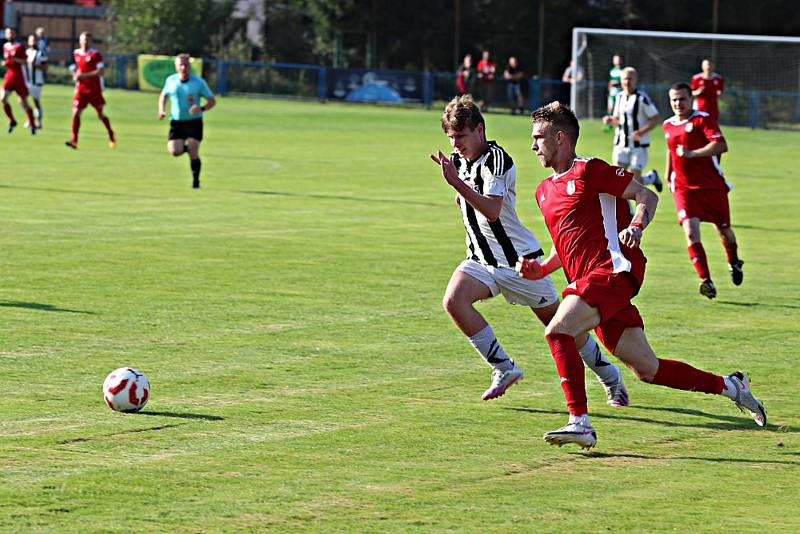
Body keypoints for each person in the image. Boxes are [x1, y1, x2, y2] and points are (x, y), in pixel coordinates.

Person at [517, 101, 766, 450]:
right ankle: (732, 386)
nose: (533, 145)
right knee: (648, 369)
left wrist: (636, 224)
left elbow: (645, 194)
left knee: (558, 331)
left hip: (611, 273)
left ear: (561, 138)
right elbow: (570, 242)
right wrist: (541, 269)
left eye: (538, 137)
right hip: (588, 284)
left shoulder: (591, 171)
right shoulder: (543, 191)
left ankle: (579, 422)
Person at [430, 95, 629, 407]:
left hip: (519, 263)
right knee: (454, 301)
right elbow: (474, 202)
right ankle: (503, 368)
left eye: (461, 136)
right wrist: (462, 192)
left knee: (564, 329)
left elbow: (493, 210)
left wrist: (457, 186)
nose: (456, 145)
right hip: (482, 259)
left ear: (480, 130)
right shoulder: (458, 162)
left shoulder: (497, 159)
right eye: (451, 138)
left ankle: (610, 377)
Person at [663, 82, 742, 299]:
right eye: (674, 99)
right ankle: (706, 281)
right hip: (683, 188)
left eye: (682, 99)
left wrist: (694, 154)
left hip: (711, 187)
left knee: (724, 231)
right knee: (690, 232)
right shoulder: (668, 125)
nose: (678, 103)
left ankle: (734, 261)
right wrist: (668, 174)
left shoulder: (702, 119)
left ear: (691, 99)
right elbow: (671, 151)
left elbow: (721, 145)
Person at [158, 54, 216, 189]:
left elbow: (212, 101)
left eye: (186, 65)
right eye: (181, 65)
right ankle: (189, 149)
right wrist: (161, 110)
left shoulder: (198, 82)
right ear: (176, 67)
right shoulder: (171, 81)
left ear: (190, 66)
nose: (183, 67)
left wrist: (201, 108)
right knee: (174, 151)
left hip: (194, 122)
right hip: (176, 122)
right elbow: (163, 95)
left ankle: (196, 182)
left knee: (193, 150)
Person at [602, 67, 662, 191]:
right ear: (621, 80)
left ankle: (651, 177)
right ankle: (628, 210)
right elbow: (618, 120)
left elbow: (655, 118)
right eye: (625, 78)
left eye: (630, 78)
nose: (627, 81)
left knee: (635, 181)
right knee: (619, 179)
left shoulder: (642, 98)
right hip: (621, 144)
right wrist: (610, 120)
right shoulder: (619, 97)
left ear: (635, 80)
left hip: (638, 145)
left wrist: (641, 132)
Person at [65, 31, 116, 149]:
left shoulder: (95, 55)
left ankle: (111, 134)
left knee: (100, 114)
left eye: (87, 40)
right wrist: (75, 74)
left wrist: (83, 75)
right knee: (76, 112)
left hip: (94, 89)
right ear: (79, 41)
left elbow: (101, 71)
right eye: (83, 40)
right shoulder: (76, 53)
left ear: (91, 42)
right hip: (81, 89)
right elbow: (75, 68)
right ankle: (74, 140)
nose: (85, 42)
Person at [2, 27, 37, 134]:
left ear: (14, 34)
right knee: (3, 98)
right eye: (8, 33)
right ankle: (12, 120)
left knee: (23, 102)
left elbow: (25, 61)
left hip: (19, 77)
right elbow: (7, 60)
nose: (10, 35)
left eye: (11, 33)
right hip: (9, 76)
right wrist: (5, 63)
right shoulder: (5, 46)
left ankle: (32, 124)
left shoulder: (19, 47)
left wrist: (14, 59)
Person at [25, 34, 47, 129]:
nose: (33, 42)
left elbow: (45, 67)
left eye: (34, 40)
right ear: (28, 42)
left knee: (35, 101)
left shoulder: (40, 53)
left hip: (36, 81)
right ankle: (30, 120)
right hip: (26, 80)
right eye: (31, 40)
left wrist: (35, 65)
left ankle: (39, 122)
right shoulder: (26, 52)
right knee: (23, 100)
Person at [604, 54, 623, 129]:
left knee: (618, 108)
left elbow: (623, 82)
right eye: (615, 59)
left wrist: (617, 83)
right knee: (610, 108)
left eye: (618, 59)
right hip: (612, 92)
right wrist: (609, 90)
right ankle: (609, 125)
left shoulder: (622, 71)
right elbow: (610, 82)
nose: (617, 61)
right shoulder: (612, 71)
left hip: (619, 92)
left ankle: (618, 123)